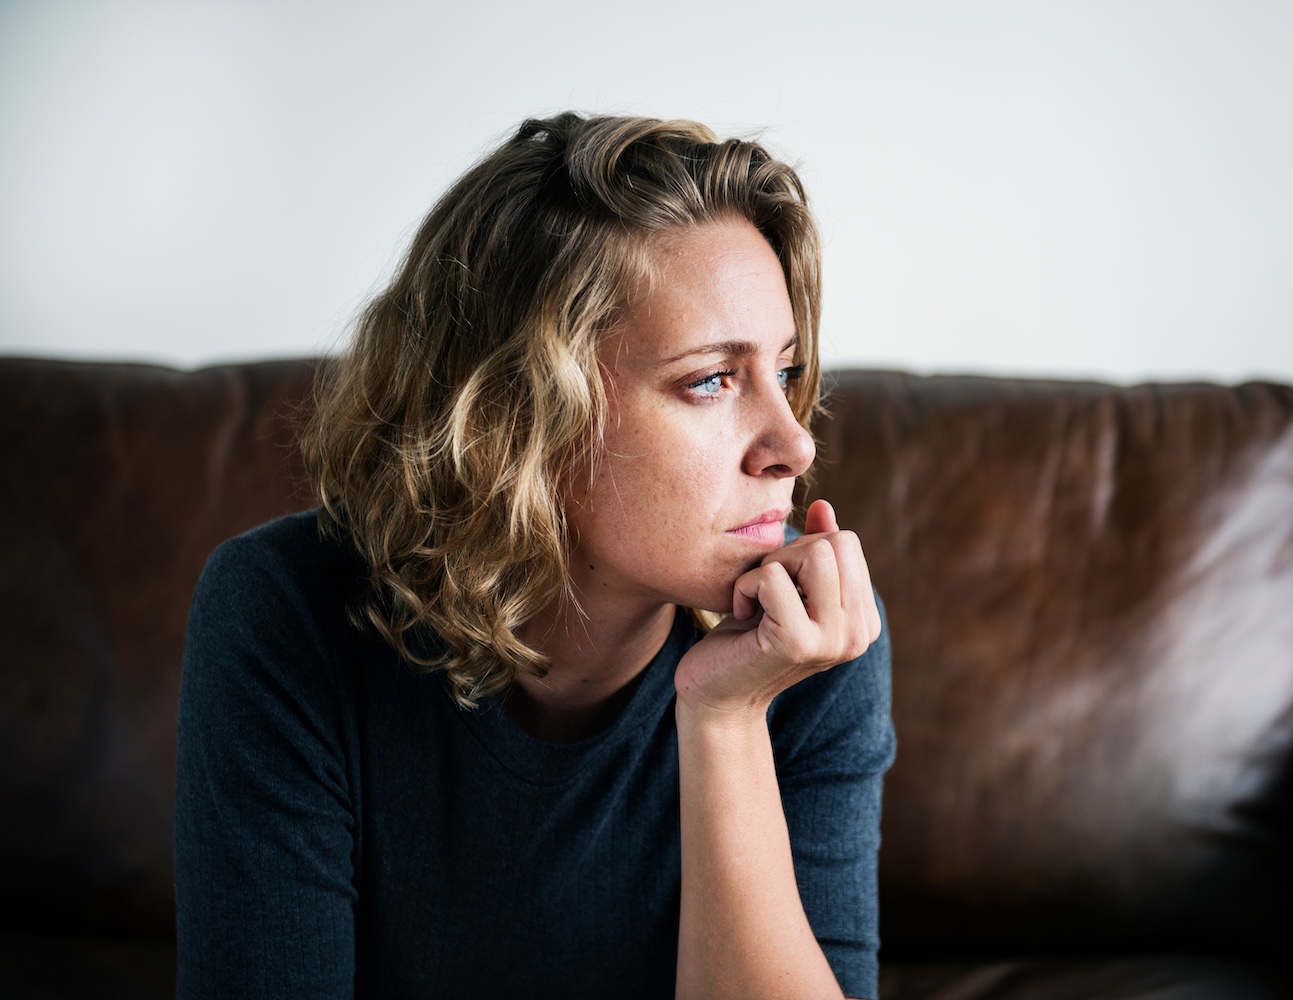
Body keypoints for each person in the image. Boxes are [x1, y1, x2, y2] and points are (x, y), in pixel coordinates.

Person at [174, 112, 895, 1000]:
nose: (794, 444)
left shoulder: (810, 639)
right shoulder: (285, 612)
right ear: (518, 417)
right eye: (711, 379)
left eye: (783, 373)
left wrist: (726, 721)